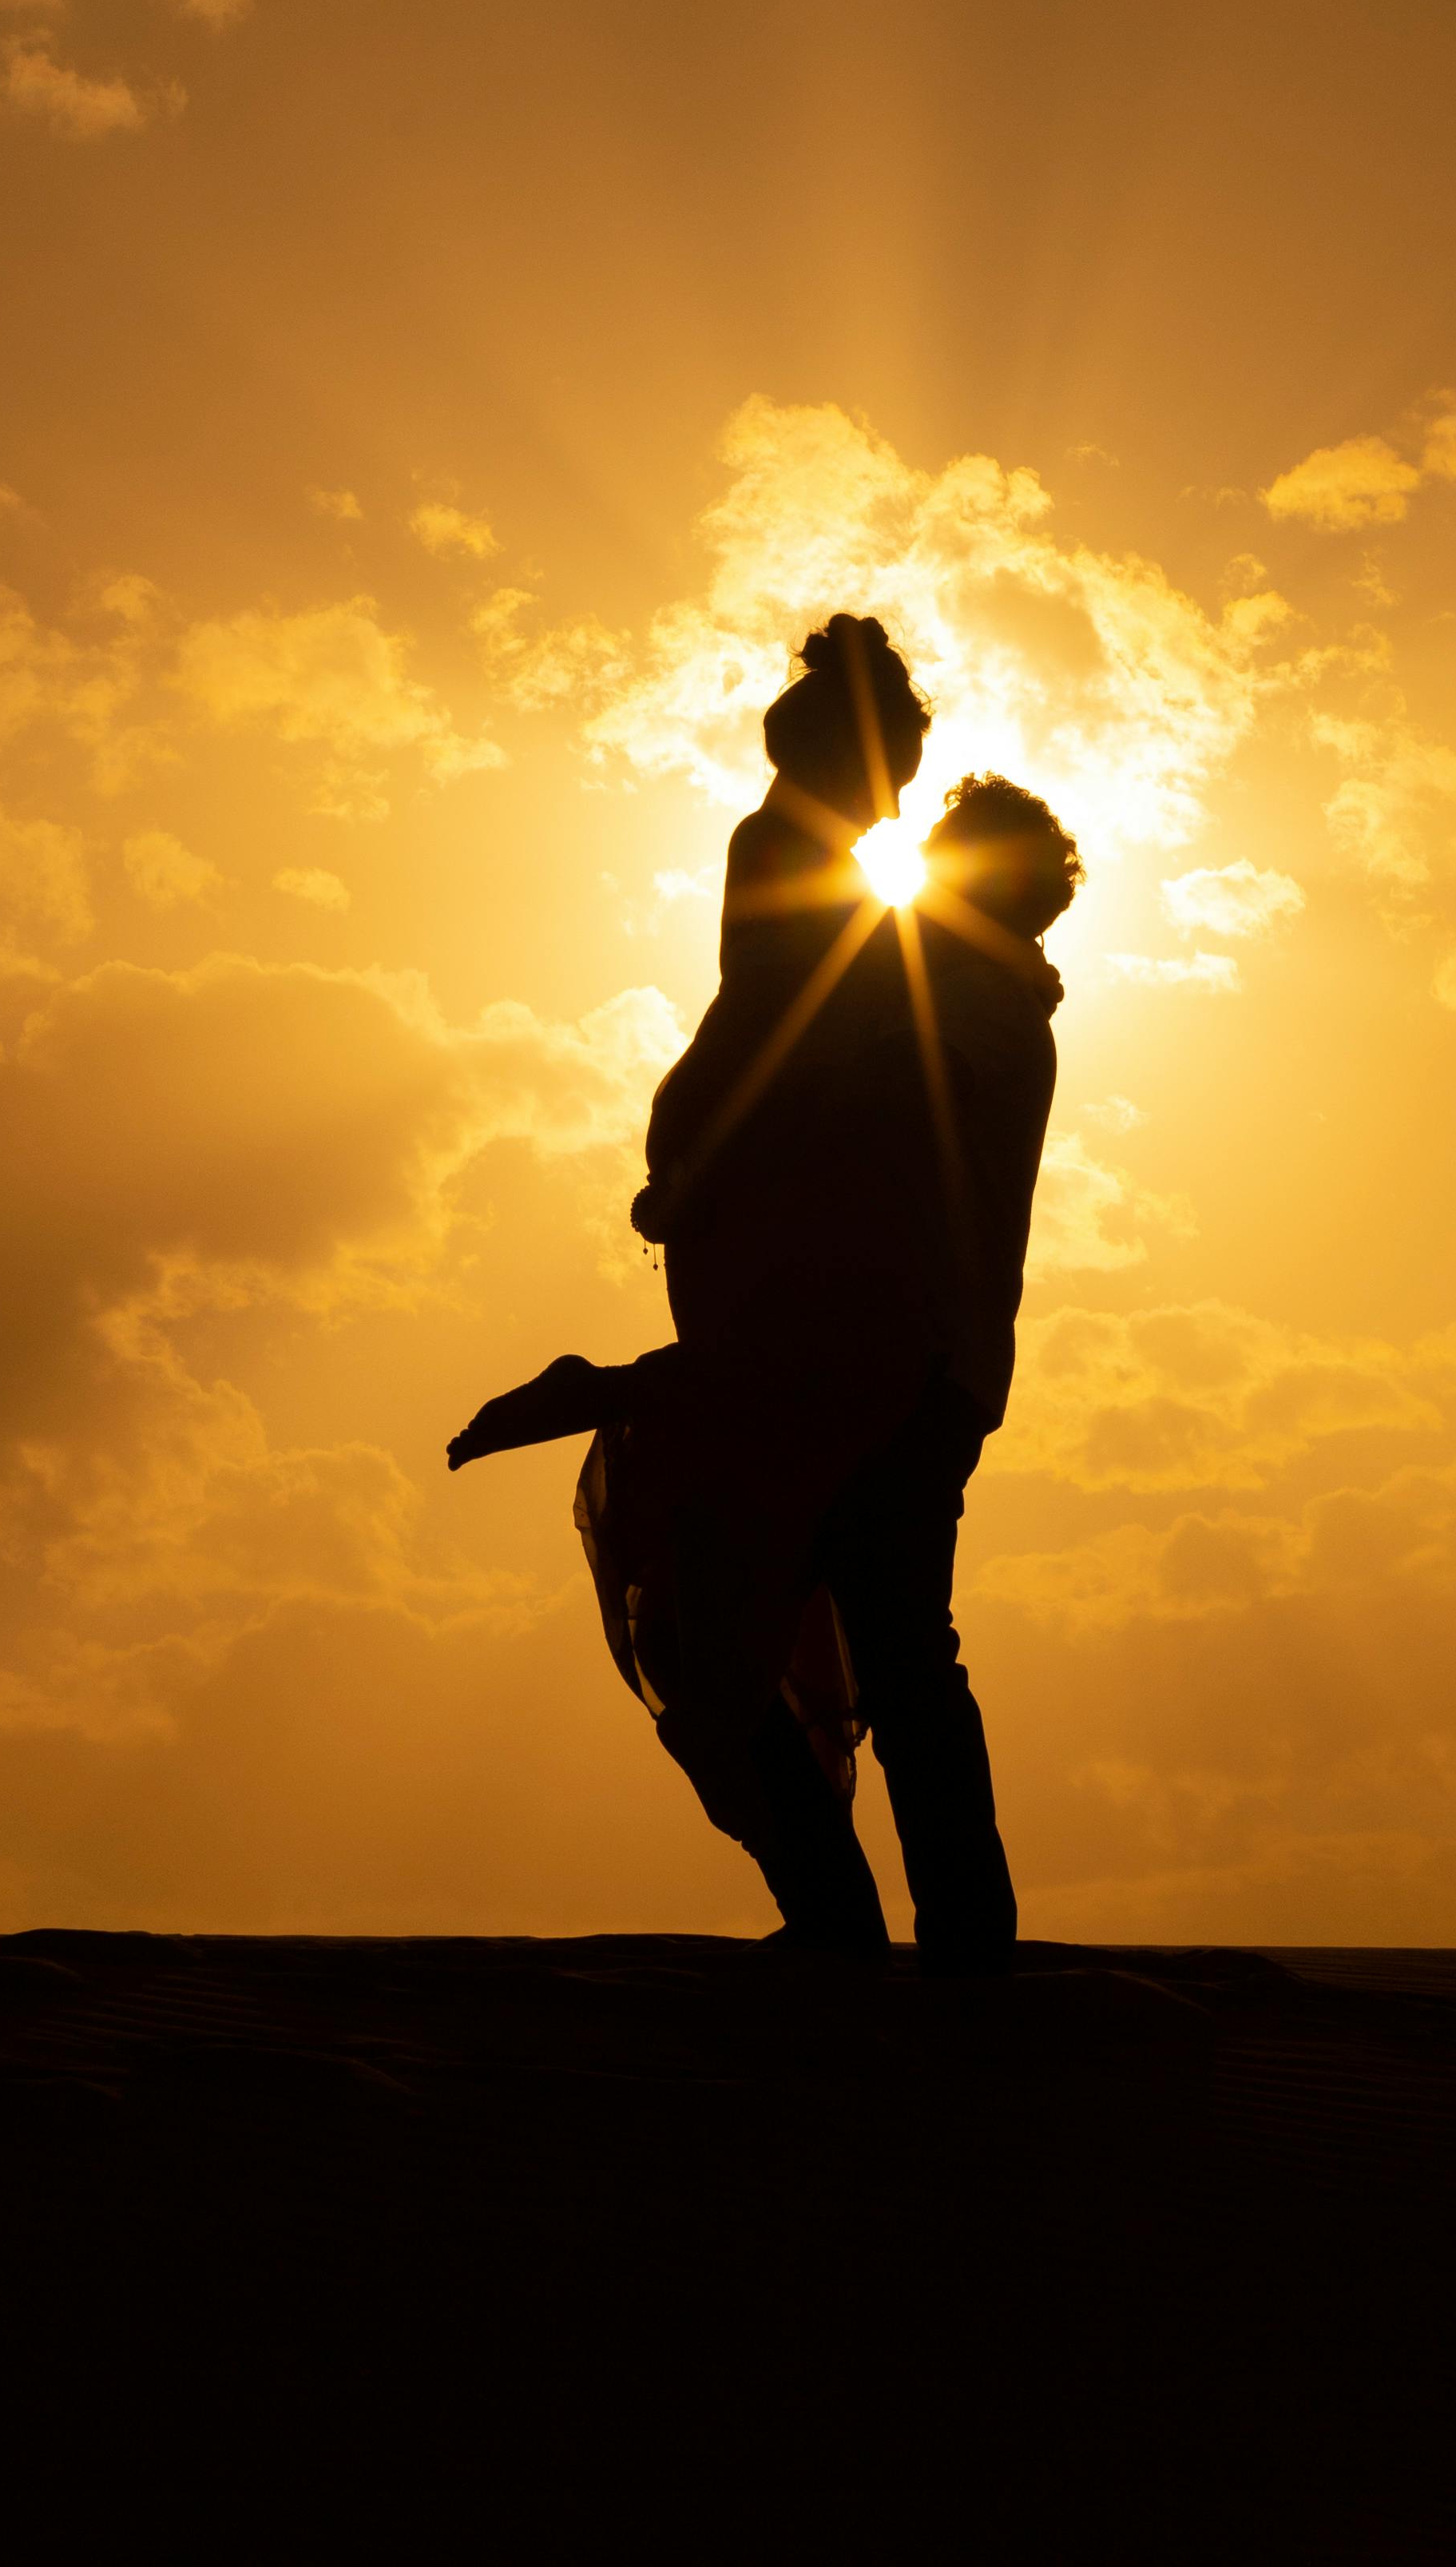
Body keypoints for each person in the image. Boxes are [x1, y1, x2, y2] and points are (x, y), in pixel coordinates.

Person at [447, 614, 1081, 1973]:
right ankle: (911, 1942)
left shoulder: (955, 1009)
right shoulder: (939, 984)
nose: (907, 823)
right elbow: (779, 1060)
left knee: (776, 1652)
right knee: (862, 1655)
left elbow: (795, 1086)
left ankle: (887, 1941)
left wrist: (687, 1187)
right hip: (900, 1368)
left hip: (874, 1369)